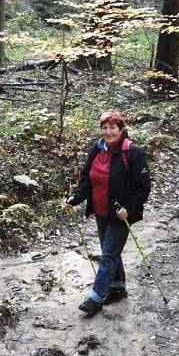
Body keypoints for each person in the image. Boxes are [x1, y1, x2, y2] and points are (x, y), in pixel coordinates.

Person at [65, 110, 151, 316]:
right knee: (110, 250)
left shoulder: (131, 152)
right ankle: (118, 287)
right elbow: (87, 179)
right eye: (105, 127)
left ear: (120, 129)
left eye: (113, 127)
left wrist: (128, 208)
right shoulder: (97, 148)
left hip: (121, 214)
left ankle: (96, 298)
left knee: (109, 254)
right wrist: (75, 198)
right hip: (100, 210)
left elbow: (143, 186)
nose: (108, 131)